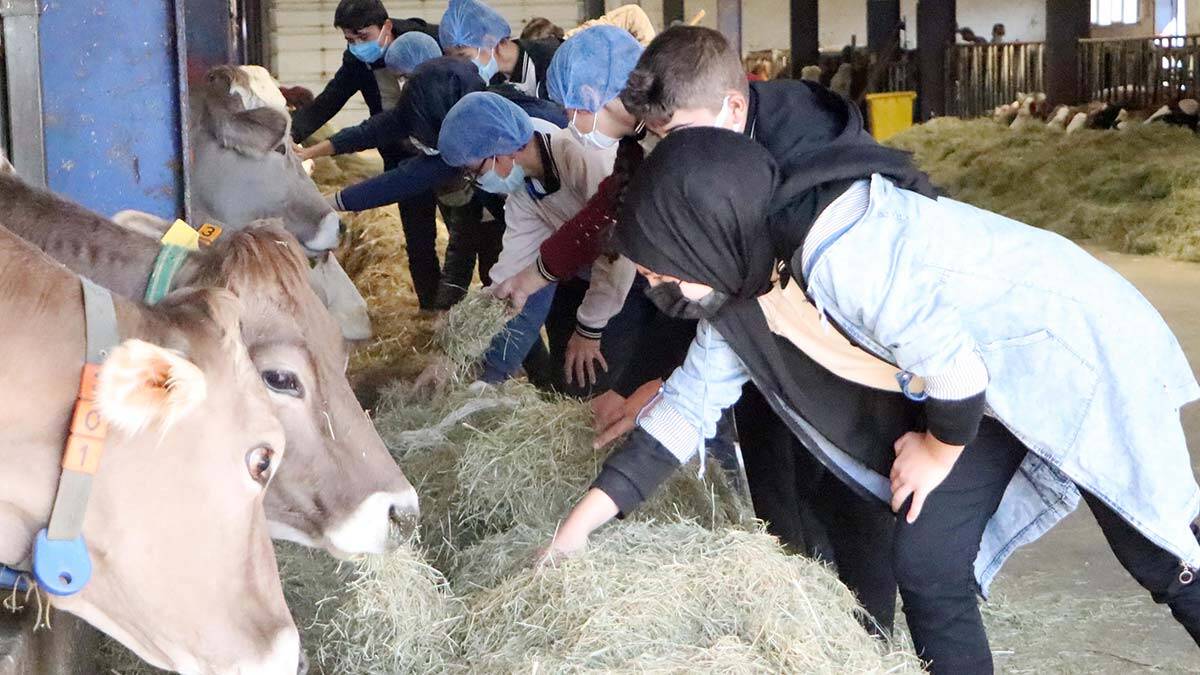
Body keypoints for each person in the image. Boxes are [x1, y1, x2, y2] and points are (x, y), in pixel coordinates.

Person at [543, 127, 1200, 674]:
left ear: (701, 236)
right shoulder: (738, 295)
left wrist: (935, 451)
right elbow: (684, 412)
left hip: (1062, 352)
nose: (654, 281)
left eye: (659, 264)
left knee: (1161, 551)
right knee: (925, 561)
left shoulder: (837, 249)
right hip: (976, 396)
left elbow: (955, 370)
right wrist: (576, 530)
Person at [493, 28, 907, 635]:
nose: (578, 121)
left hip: (840, 350)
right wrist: (651, 378)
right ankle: (808, 609)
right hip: (749, 330)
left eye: (586, 104)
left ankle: (867, 633)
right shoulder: (665, 145)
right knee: (776, 481)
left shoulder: (796, 162)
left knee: (855, 500)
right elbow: (659, 260)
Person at [311, 58, 566, 310]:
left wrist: (327, 202)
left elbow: (404, 180)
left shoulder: (495, 134)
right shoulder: (462, 118)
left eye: (471, 169)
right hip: (538, 238)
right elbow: (379, 136)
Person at [435, 91, 635, 394]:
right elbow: (511, 275)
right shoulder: (525, 193)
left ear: (500, 155)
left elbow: (618, 255)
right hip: (578, 279)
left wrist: (590, 328)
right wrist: (456, 350)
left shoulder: (581, 158)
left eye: (474, 171)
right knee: (564, 380)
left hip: (631, 285)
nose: (476, 182)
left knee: (595, 386)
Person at [289, 0, 443, 309]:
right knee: (418, 239)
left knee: (464, 234)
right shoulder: (358, 61)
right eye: (349, 40)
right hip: (401, 153)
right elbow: (329, 101)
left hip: (447, 150)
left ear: (386, 26)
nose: (358, 46)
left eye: (363, 36)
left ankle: (459, 309)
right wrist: (289, 135)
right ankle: (432, 311)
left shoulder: (429, 42)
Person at [439, 0, 561, 100]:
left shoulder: (555, 61)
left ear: (490, 40)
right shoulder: (492, 84)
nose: (461, 67)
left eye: (464, 57)